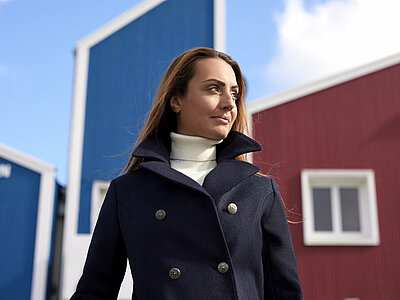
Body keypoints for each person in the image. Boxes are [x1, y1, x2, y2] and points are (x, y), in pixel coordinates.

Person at [71, 47, 303, 299]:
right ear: (176, 100)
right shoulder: (128, 191)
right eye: (214, 89)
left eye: (234, 93)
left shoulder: (259, 191)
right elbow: (95, 291)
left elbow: (285, 292)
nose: (229, 103)